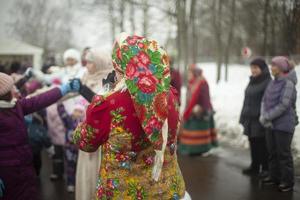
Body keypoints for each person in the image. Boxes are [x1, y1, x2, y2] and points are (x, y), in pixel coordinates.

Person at [72, 33, 191, 199]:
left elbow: (85, 142)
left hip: (123, 193)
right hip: (169, 191)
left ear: (119, 64)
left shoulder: (107, 102)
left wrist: (105, 92)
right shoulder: (169, 94)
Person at [0, 72, 80, 199]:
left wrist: (64, 89)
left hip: (25, 166)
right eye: (12, 87)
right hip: (7, 172)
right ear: (5, 93)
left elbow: (40, 100)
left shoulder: (16, 106)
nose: (15, 89)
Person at [75, 48, 112, 200]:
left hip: (101, 137)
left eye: (90, 62)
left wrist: (86, 94)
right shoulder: (85, 76)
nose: (87, 65)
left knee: (98, 172)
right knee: (87, 172)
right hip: (86, 132)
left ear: (99, 63)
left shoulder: (110, 79)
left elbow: (105, 105)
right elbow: (68, 94)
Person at [260, 56, 298, 192]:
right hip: (270, 124)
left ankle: (287, 181)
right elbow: (264, 100)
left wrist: (267, 116)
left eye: (274, 65)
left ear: (281, 68)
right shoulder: (272, 82)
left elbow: (284, 105)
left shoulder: (288, 84)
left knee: (283, 154)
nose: (271, 67)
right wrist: (263, 115)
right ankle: (274, 176)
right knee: (272, 152)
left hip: (284, 125)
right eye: (271, 65)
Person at [239, 58, 271, 176]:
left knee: (261, 143)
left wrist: (262, 115)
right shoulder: (252, 80)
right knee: (252, 142)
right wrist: (243, 116)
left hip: (259, 118)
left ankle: (266, 168)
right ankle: (255, 166)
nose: (253, 70)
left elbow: (268, 101)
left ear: (262, 69)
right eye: (252, 68)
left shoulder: (267, 82)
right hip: (249, 117)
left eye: (256, 68)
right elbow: (246, 99)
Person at [178, 64, 217, 156]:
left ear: (195, 73)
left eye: (190, 73)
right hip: (193, 110)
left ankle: (198, 149)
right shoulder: (192, 82)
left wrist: (187, 113)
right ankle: (194, 149)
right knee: (192, 131)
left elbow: (196, 99)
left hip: (199, 112)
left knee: (197, 131)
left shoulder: (201, 83)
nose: (188, 75)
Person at [58, 103, 84, 192]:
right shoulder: (68, 120)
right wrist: (60, 104)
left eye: (80, 111)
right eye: (76, 110)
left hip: (80, 150)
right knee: (70, 167)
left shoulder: (83, 123)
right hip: (69, 148)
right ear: (73, 111)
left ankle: (79, 183)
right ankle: (70, 183)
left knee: (79, 167)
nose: (77, 113)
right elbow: (62, 113)